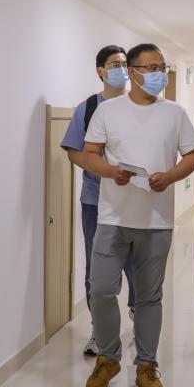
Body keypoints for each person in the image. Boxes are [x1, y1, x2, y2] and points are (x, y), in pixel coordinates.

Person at [79, 43, 194, 387]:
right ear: (132, 72)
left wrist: (171, 176)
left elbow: (193, 156)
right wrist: (111, 171)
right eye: (152, 67)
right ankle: (108, 358)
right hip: (112, 217)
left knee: (149, 296)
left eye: (162, 67)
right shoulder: (108, 111)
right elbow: (89, 154)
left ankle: (147, 364)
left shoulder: (174, 113)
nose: (159, 73)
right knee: (101, 289)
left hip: (156, 220)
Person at [60, 45, 137, 357]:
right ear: (100, 71)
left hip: (136, 199)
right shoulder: (89, 108)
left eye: (124, 64)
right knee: (97, 268)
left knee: (136, 264)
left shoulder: (140, 104)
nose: (121, 69)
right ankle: (99, 330)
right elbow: (73, 151)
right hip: (96, 202)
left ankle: (138, 311)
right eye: (114, 64)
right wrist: (104, 171)